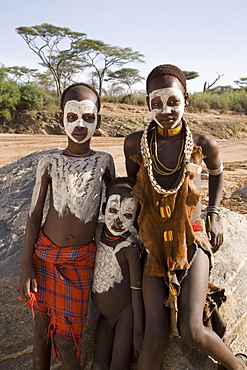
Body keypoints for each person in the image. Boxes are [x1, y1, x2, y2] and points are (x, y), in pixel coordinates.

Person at [124, 64, 246, 370]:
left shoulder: (204, 144)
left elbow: (218, 174)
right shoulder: (135, 144)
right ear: (148, 104)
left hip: (191, 239)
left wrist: (213, 214)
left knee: (191, 330)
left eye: (173, 101)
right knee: (155, 335)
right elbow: (135, 187)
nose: (165, 110)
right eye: (157, 102)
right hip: (153, 245)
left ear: (186, 99)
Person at [19, 82, 115, 370]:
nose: (80, 124)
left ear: (99, 119)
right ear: (61, 119)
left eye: (88, 116)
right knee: (40, 333)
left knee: (66, 339)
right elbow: (34, 215)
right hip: (44, 257)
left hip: (81, 261)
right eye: (72, 117)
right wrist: (26, 265)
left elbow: (116, 204)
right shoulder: (49, 162)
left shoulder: (104, 162)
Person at [91, 177, 144, 370]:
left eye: (127, 214)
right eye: (113, 211)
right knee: (98, 362)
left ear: (136, 216)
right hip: (105, 316)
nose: (118, 220)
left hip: (126, 318)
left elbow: (137, 293)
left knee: (119, 365)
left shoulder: (130, 249)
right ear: (104, 207)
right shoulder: (96, 233)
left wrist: (138, 332)